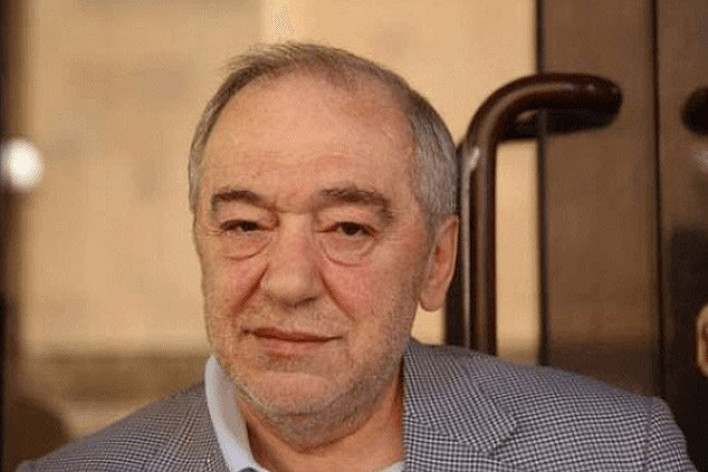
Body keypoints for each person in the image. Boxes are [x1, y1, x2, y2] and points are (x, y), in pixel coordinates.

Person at [18, 43, 696, 472]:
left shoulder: (616, 453)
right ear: (201, 238)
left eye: (347, 229)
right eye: (246, 224)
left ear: (436, 262)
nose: (288, 283)